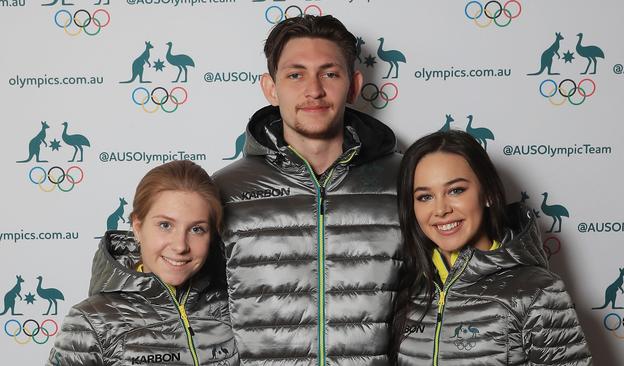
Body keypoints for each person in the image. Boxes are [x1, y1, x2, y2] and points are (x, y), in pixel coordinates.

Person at [212, 14, 402, 365]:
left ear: (354, 85)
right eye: (295, 74)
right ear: (271, 88)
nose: (313, 90)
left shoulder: (408, 181)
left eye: (329, 73)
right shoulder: (224, 190)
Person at [392, 130, 592, 365]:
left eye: (456, 190)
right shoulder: (409, 287)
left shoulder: (537, 291)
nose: (440, 210)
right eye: (425, 197)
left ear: (488, 194)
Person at [46, 160, 238, 366]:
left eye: (197, 229)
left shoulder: (234, 305)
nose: (180, 246)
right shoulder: (90, 323)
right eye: (165, 225)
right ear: (138, 227)